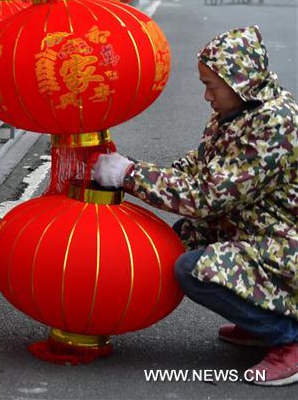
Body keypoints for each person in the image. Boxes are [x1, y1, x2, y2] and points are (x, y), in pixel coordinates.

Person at [93, 25, 297, 386]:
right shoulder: (237, 113)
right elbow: (196, 167)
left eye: (211, 85)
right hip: (263, 229)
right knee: (183, 237)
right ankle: (260, 319)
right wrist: (132, 166)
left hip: (286, 245)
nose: (206, 96)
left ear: (238, 81)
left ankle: (286, 338)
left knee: (193, 269)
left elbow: (206, 196)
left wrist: (128, 175)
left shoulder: (274, 124)